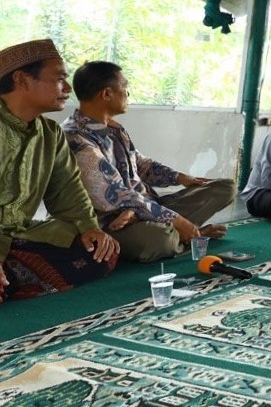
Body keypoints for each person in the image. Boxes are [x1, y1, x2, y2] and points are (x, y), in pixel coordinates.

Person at [63, 61, 235, 262]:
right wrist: (179, 221)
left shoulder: (112, 128)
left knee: (225, 187)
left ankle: (173, 230)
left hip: (142, 207)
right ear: (107, 94)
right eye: (125, 88)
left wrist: (180, 178)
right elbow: (117, 195)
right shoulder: (76, 138)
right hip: (109, 222)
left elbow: (139, 163)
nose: (128, 94)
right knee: (160, 240)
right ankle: (188, 236)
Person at [0, 39, 118, 302]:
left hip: (18, 235)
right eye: (59, 79)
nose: (67, 88)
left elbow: (69, 193)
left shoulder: (50, 134)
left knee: (100, 252)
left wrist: (90, 227)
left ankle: (12, 277)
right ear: (22, 79)